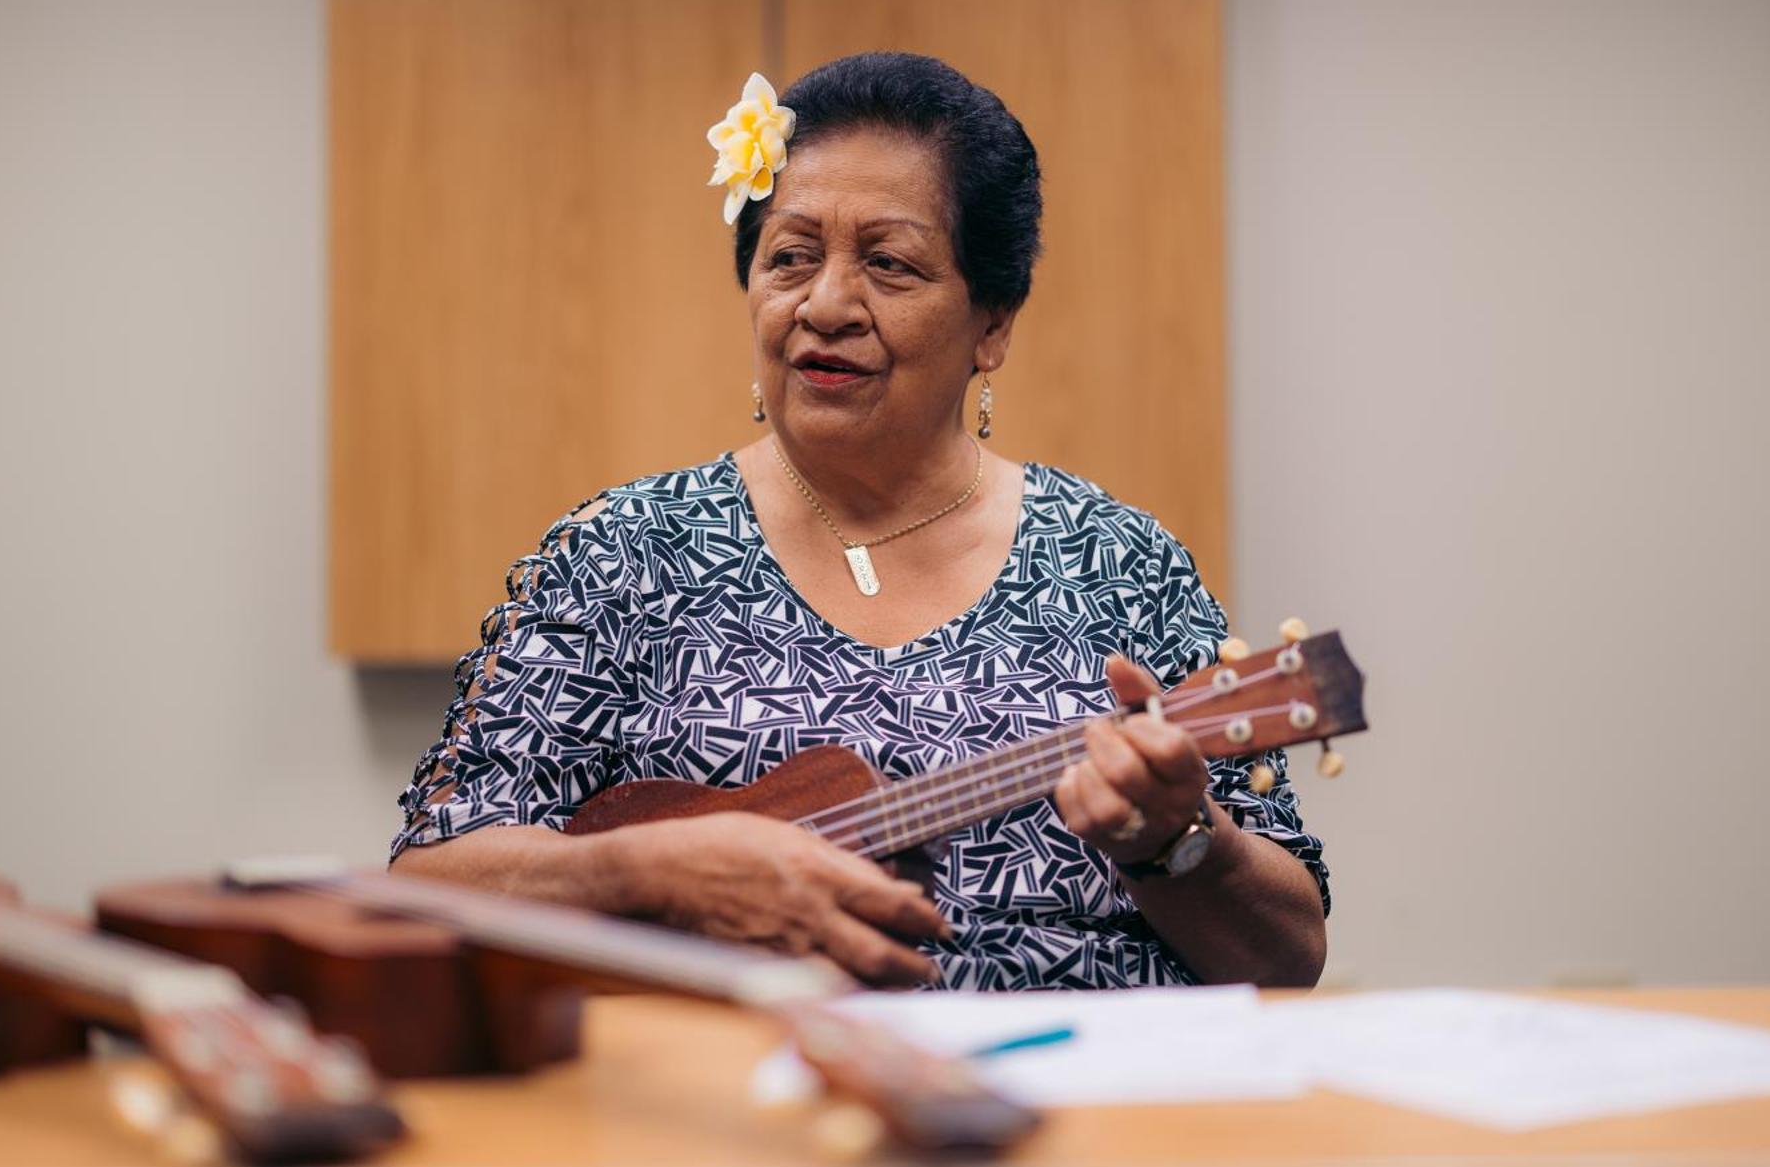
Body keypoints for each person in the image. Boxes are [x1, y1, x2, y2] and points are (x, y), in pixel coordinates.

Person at [391, 52, 1327, 990]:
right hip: (723, 1111)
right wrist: (645, 873)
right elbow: (429, 883)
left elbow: (1289, 958)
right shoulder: (618, 555)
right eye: (790, 257)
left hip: (1087, 1108)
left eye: (889, 263)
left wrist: (1173, 842)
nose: (827, 304)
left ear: (992, 324)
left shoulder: (1123, 565)